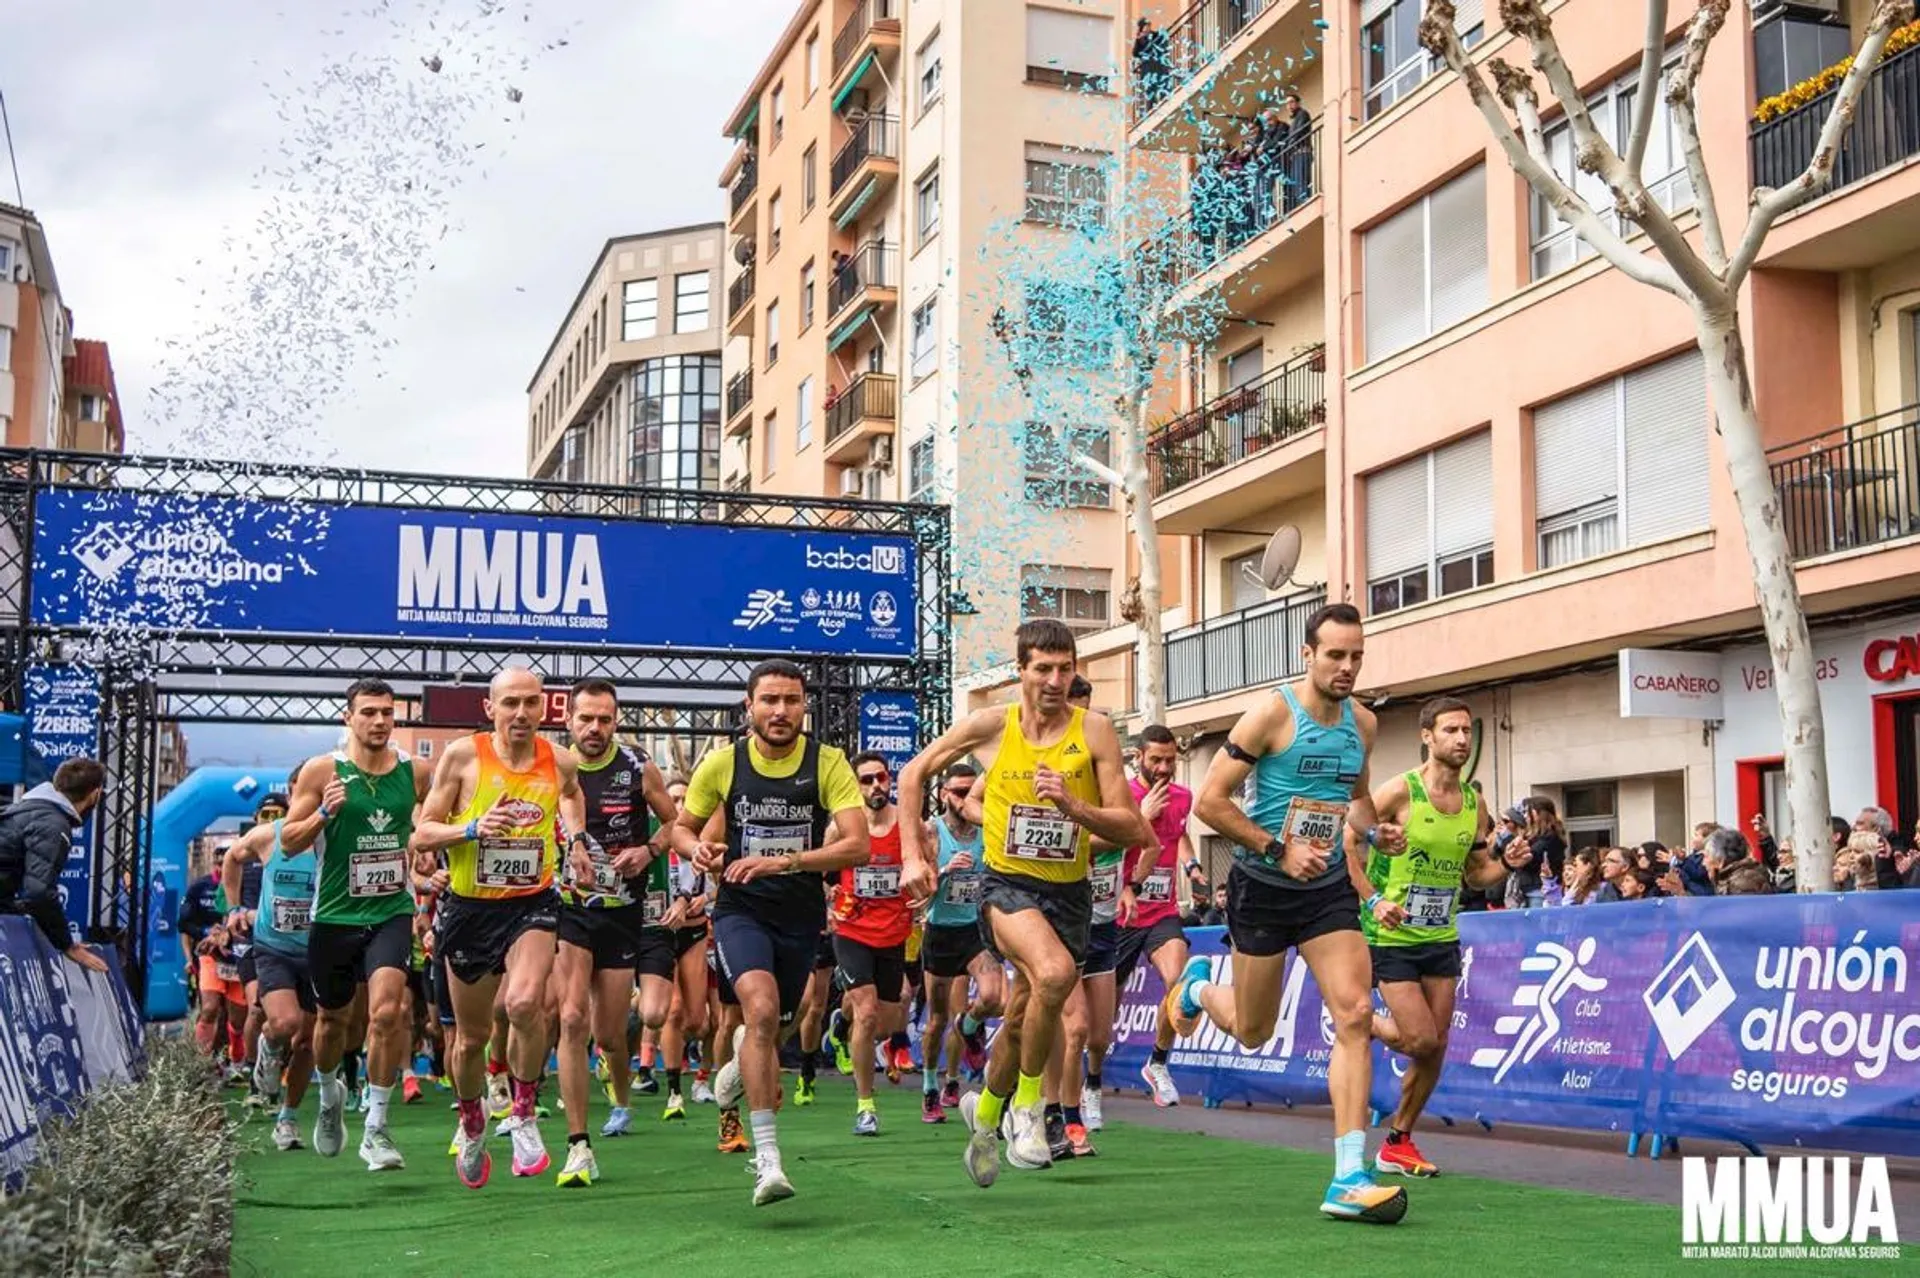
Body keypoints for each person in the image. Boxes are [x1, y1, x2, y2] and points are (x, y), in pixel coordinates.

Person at [1164, 602, 1410, 1224]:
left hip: (1326, 889)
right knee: (1252, 1029)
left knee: (1354, 1013)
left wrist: (1377, 833)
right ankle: (1197, 990)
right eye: (1335, 655)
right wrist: (1277, 847)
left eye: (1356, 656)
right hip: (1264, 888)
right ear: (1307, 654)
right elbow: (1210, 805)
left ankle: (1349, 1173)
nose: (1347, 667)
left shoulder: (1364, 724)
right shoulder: (1272, 714)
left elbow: (1354, 801)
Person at [897, 620, 1150, 1187]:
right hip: (1007, 887)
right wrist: (914, 856)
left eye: (1066, 669)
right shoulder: (993, 726)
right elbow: (913, 773)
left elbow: (1131, 826)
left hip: (1070, 891)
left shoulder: (1097, 733)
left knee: (1020, 1018)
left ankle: (984, 1114)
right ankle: (1030, 1112)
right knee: (1056, 974)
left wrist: (1072, 808)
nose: (1056, 681)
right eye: (1043, 668)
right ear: (1022, 671)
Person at [668, 659, 868, 1206]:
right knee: (758, 1012)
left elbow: (857, 845)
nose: (781, 712)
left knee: (776, 1026)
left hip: (799, 915)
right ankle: (769, 1161)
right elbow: (680, 830)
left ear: (805, 707)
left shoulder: (828, 764)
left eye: (791, 701)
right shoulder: (722, 764)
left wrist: (784, 862)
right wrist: (698, 850)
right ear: (749, 707)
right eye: (770, 701)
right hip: (740, 911)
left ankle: (734, 1074)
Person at [411, 667, 593, 1190]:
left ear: (545, 708)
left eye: (531, 703)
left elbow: (573, 794)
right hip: (469, 910)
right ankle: (472, 1120)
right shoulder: (464, 756)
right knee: (470, 1040)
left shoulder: (559, 760)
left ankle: (525, 1112)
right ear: (490, 708)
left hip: (531, 903)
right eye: (509, 703)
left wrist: (577, 842)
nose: (521, 713)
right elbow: (424, 831)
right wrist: (471, 828)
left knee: (524, 1003)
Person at [279, 679, 434, 1172]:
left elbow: (434, 820)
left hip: (391, 910)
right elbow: (287, 841)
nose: (380, 721)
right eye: (368, 712)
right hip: (334, 916)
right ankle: (329, 1099)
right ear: (348, 718)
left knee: (389, 1014)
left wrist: (428, 850)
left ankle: (377, 1129)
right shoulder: (323, 771)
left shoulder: (415, 772)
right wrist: (325, 811)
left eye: (388, 712)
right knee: (330, 1023)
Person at [1353, 697, 1504, 1179]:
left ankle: (1398, 1140)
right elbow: (1347, 844)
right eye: (1451, 730)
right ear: (1428, 737)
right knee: (1419, 1038)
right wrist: (1374, 900)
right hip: (1390, 932)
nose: (1462, 739)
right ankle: (1357, 1020)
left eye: (1466, 731)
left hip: (1441, 933)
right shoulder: (1400, 792)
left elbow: (1478, 875)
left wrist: (1511, 864)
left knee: (1436, 1046)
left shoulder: (1475, 804)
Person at [552, 679, 678, 1187]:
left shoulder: (637, 767)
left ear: (616, 720)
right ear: (570, 721)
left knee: (608, 1033)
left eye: (604, 719)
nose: (595, 729)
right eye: (586, 719)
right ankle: (577, 1143)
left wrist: (647, 852)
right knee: (570, 1017)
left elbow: (677, 823)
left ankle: (621, 1098)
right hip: (567, 908)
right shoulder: (552, 767)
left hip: (622, 911)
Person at [223, 789, 320, 1151]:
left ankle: (288, 1118)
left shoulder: (335, 840)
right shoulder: (270, 836)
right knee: (283, 1023)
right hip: (274, 948)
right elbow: (233, 858)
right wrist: (233, 910)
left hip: (318, 952)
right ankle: (267, 1047)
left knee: (307, 1041)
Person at [1114, 724, 1196, 1115]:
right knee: (1100, 1021)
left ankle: (1158, 1063)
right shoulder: (1121, 797)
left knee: (1177, 982)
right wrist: (1141, 817)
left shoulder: (1183, 797)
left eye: (1170, 760)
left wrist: (1192, 864)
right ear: (1138, 759)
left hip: (1162, 910)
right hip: (1121, 911)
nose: (1164, 768)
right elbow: (1106, 849)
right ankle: (1089, 1085)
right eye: (1156, 760)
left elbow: (1178, 835)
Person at [833, 751, 916, 1136]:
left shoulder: (909, 824)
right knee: (866, 1014)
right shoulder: (842, 828)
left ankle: (840, 1023)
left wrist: (924, 892)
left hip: (894, 933)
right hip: (851, 931)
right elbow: (823, 871)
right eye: (865, 780)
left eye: (880, 777)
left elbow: (924, 868)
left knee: (885, 1021)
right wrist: (830, 898)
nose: (875, 786)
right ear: (856, 786)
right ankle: (866, 1105)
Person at [918, 764, 1001, 1120]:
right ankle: (929, 1087)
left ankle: (969, 1027)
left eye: (972, 792)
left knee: (994, 997)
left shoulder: (986, 830)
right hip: (939, 932)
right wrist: (944, 871)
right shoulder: (930, 833)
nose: (966, 799)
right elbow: (916, 897)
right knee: (936, 1020)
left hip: (974, 930)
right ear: (943, 795)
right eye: (958, 792)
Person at [0, 757, 108, 973]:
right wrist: (67, 945)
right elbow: (38, 893)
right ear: (95, 794)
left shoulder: (26, 810)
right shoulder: (53, 824)